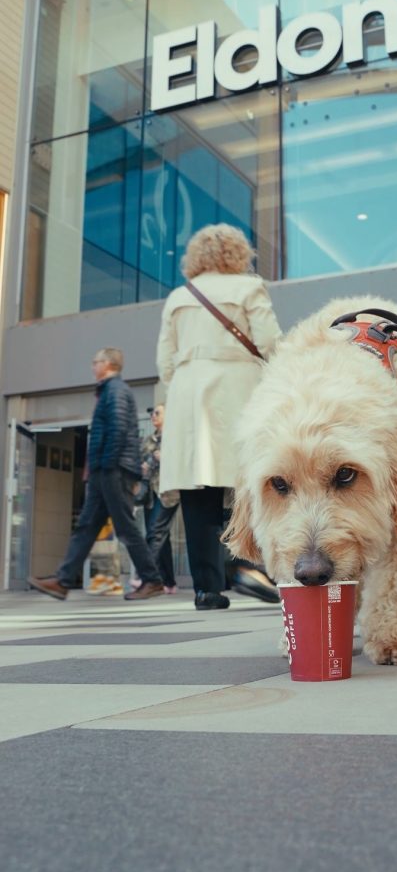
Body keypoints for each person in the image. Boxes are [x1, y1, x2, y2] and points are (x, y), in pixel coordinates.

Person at [157, 223, 282, 610]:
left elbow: (164, 362)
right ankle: (248, 568)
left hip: (188, 395)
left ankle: (207, 589)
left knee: (199, 492)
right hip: (238, 386)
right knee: (247, 480)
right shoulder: (248, 287)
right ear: (238, 253)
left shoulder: (178, 296)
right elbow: (271, 342)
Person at [29, 348, 164, 601]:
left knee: (125, 528)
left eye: (96, 362)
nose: (92, 366)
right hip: (105, 471)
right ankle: (63, 580)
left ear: (109, 364)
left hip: (113, 471)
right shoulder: (109, 391)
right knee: (87, 526)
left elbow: (118, 431)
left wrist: (106, 466)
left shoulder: (116, 391)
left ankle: (153, 579)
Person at [135, 404, 180, 594]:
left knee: (154, 534)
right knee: (161, 537)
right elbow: (139, 464)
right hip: (150, 496)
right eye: (152, 412)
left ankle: (146, 577)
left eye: (157, 412)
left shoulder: (175, 439)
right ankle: (169, 583)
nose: (153, 415)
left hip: (168, 493)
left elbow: (182, 462)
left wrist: (166, 458)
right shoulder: (148, 440)